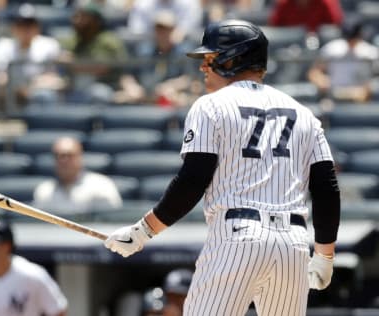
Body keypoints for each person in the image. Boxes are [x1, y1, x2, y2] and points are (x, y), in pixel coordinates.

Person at [104, 19, 341, 316]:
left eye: (210, 58)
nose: (203, 67)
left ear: (235, 58)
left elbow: (193, 180)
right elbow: (326, 189)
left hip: (237, 237)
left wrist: (143, 231)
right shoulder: (304, 113)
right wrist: (325, 254)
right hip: (292, 243)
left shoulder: (211, 105)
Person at [33, 136, 122, 214]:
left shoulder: (102, 186)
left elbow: (112, 224)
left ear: (80, 157)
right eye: (57, 156)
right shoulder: (44, 191)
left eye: (68, 155)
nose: (63, 161)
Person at [307, 15, 379, 104]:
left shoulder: (371, 53)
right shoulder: (331, 49)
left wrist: (368, 89)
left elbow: (375, 79)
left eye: (353, 38)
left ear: (360, 35)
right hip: (333, 96)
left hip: (360, 99)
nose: (350, 41)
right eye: (348, 38)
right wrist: (322, 81)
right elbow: (314, 72)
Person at [268, 0, 343, 33]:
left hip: (322, 49)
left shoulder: (325, 2)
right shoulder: (284, 3)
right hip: (290, 50)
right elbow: (275, 29)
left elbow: (336, 26)